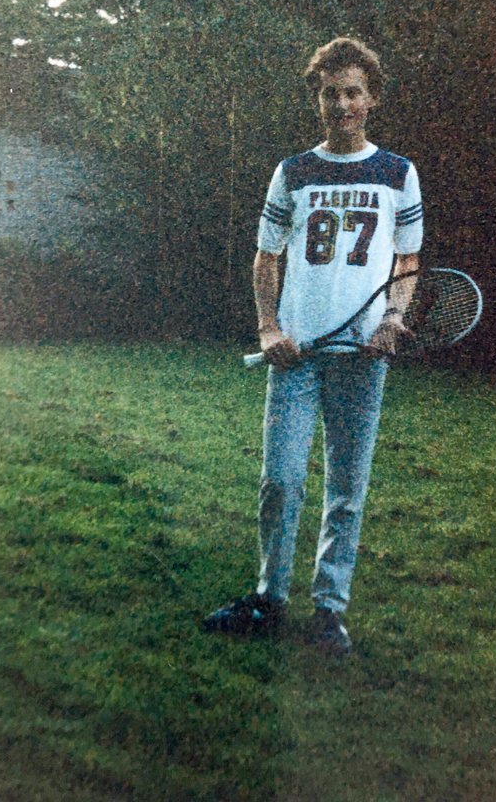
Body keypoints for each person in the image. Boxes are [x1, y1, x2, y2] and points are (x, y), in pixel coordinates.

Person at [202, 37, 423, 655]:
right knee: (280, 481)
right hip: (296, 356)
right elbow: (266, 256)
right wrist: (269, 329)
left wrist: (393, 318)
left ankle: (330, 610)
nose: (342, 105)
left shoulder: (397, 172)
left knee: (347, 489)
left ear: (372, 99)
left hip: (363, 358)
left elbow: (407, 260)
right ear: (317, 100)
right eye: (331, 94)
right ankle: (270, 598)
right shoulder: (293, 171)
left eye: (353, 93)